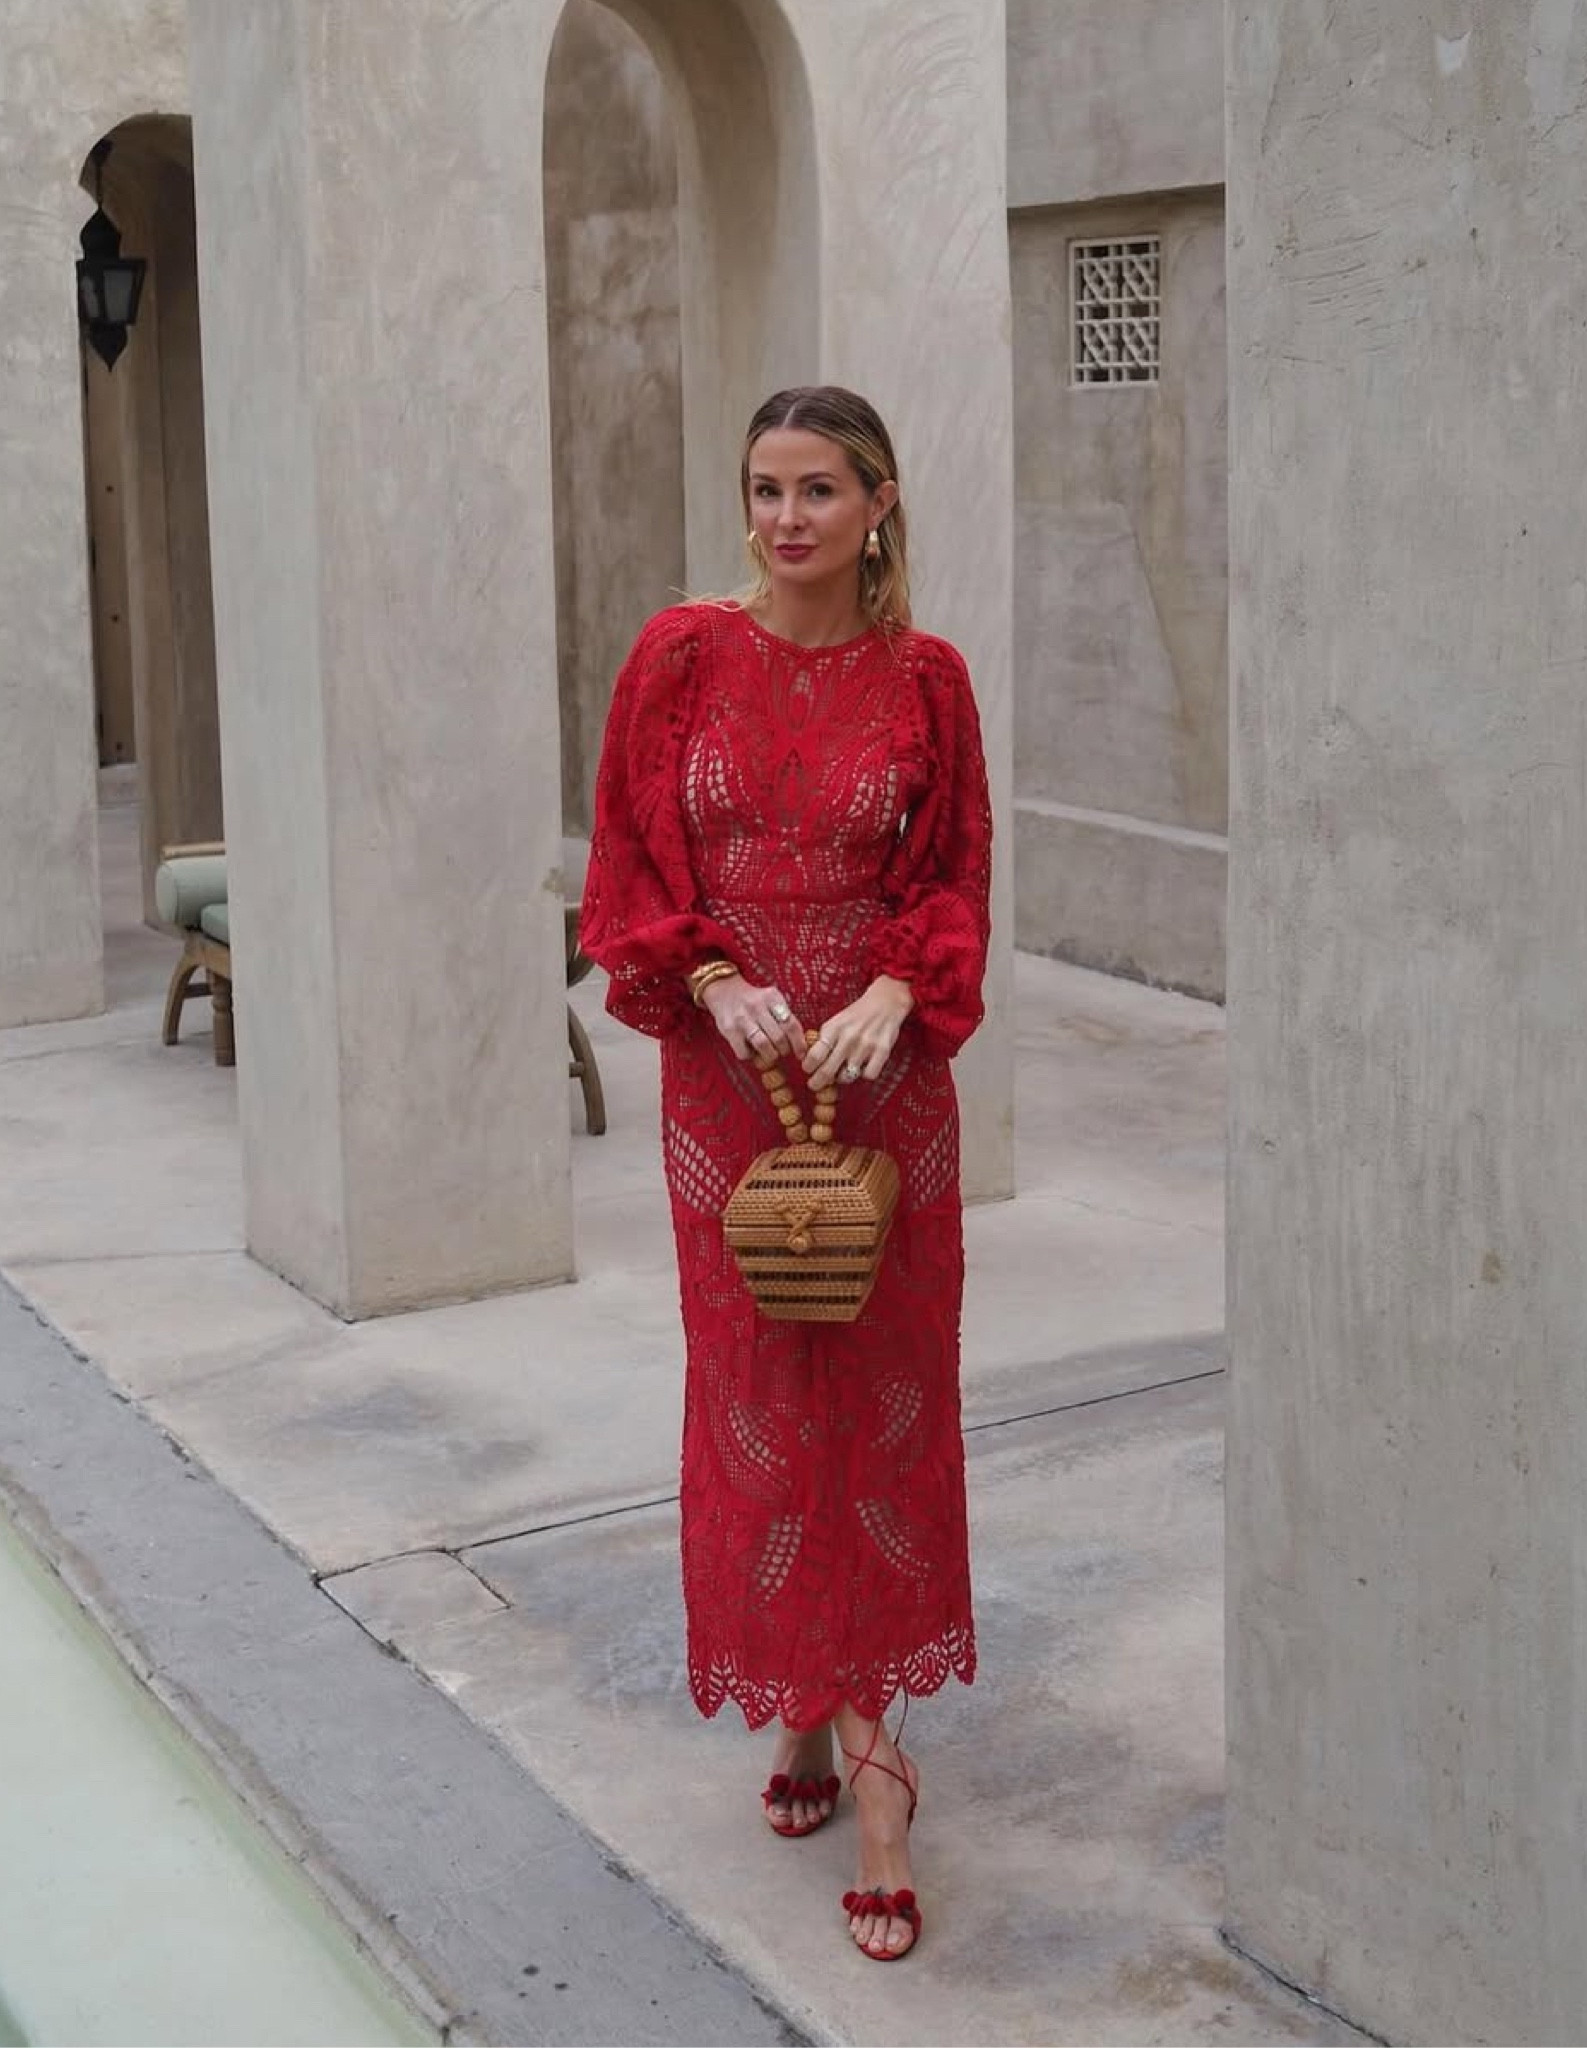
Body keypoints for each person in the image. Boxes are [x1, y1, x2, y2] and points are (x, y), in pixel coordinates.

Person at [579, 385, 992, 1961]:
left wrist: (896, 987)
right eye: (764, 489)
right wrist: (704, 980)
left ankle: (871, 1757)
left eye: (819, 489)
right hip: (731, 1078)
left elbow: (951, 872)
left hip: (880, 1086)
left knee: (883, 1406)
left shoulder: (929, 679)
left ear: (878, 503)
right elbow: (624, 865)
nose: (786, 519)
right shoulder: (680, 657)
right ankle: (805, 1705)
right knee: (759, 1392)